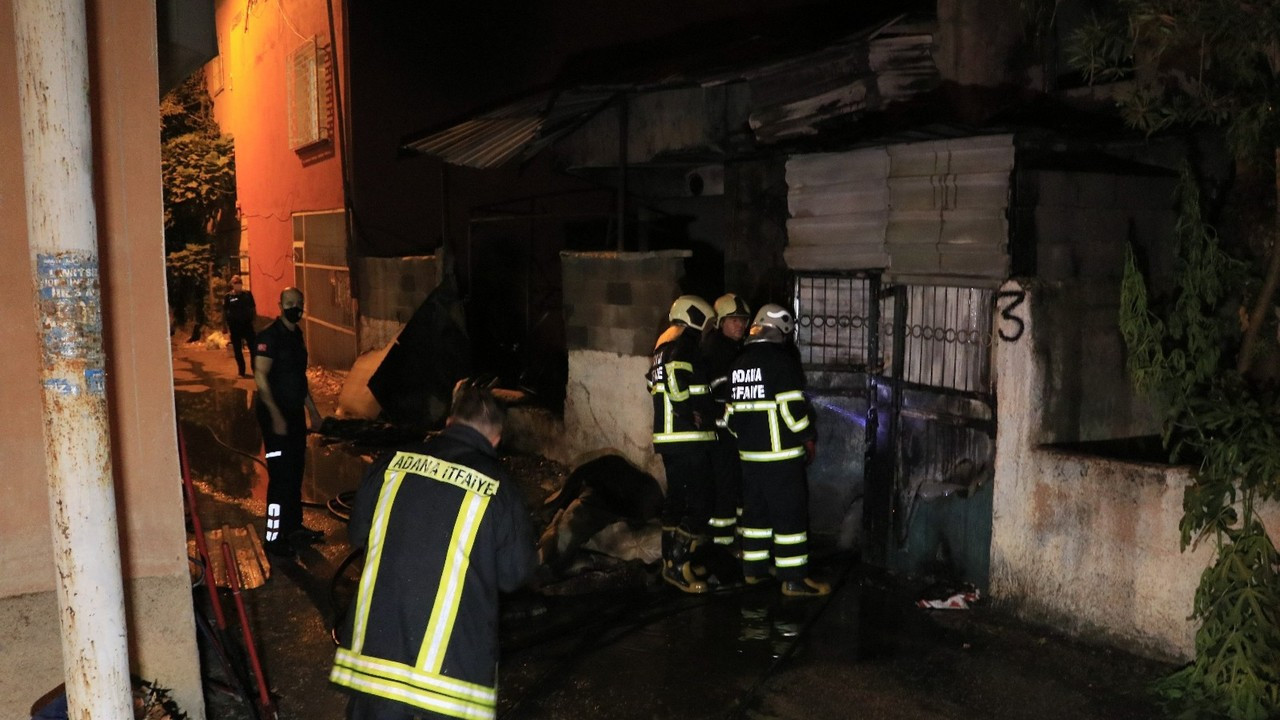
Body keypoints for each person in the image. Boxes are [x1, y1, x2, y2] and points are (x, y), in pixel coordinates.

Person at [330, 384, 538, 720]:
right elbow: (515, 576)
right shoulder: (501, 491)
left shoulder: (391, 465)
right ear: (496, 439)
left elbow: (358, 535)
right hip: (451, 675)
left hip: (376, 657)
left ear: (449, 422)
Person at [723, 303, 830, 597]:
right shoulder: (781, 362)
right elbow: (792, 410)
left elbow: (730, 417)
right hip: (781, 458)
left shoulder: (738, 364)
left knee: (755, 516)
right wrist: (808, 437)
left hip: (749, 458)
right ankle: (794, 579)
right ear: (780, 331)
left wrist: (748, 441)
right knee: (789, 516)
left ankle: (753, 572)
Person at [647, 294, 717, 594]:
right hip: (687, 438)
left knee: (676, 501)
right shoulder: (684, 342)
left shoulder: (661, 347)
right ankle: (679, 564)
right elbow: (677, 381)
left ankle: (671, 563)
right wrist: (690, 413)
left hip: (667, 438)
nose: (707, 330)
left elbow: (653, 385)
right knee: (701, 501)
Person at [254, 287, 324, 558]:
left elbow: (299, 380)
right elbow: (260, 378)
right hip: (274, 418)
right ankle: (272, 537)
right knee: (280, 479)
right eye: (289, 303)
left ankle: (294, 528)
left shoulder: (297, 336)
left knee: (295, 473)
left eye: (298, 303)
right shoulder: (269, 337)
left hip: (293, 415)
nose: (295, 307)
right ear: (280, 305)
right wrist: (276, 416)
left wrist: (313, 413)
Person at [702, 293, 751, 552]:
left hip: (732, 434)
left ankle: (737, 543)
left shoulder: (734, 348)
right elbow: (724, 392)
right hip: (722, 435)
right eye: (733, 320)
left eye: (743, 320)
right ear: (720, 322)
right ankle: (720, 550)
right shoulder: (717, 349)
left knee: (737, 488)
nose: (740, 325)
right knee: (725, 490)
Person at [223, 275, 257, 377]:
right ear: (232, 284)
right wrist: (224, 326)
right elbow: (224, 312)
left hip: (247, 324)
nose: (238, 284)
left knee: (253, 348)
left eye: (239, 282)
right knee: (237, 350)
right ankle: (241, 371)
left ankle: (255, 369)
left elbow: (253, 308)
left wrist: (254, 321)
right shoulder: (228, 297)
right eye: (236, 282)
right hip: (234, 326)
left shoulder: (247, 294)